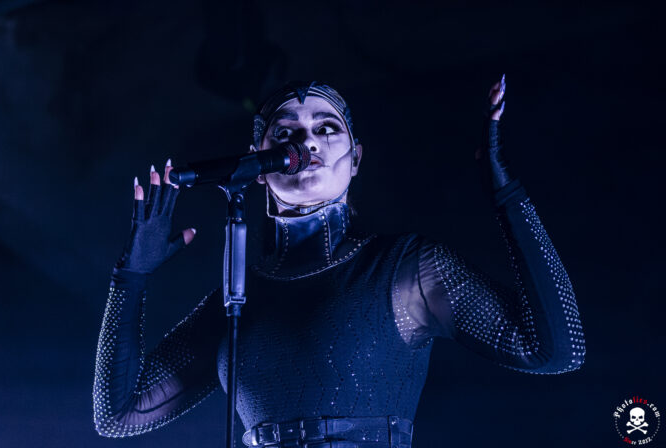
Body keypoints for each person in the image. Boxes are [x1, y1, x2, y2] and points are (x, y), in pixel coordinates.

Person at [93, 78, 586, 446]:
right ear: (257, 163)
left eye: (326, 128)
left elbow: (556, 352)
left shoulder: (405, 269)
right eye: (285, 131)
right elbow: (116, 416)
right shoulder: (236, 302)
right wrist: (130, 278)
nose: (306, 143)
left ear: (356, 158)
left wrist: (507, 195)